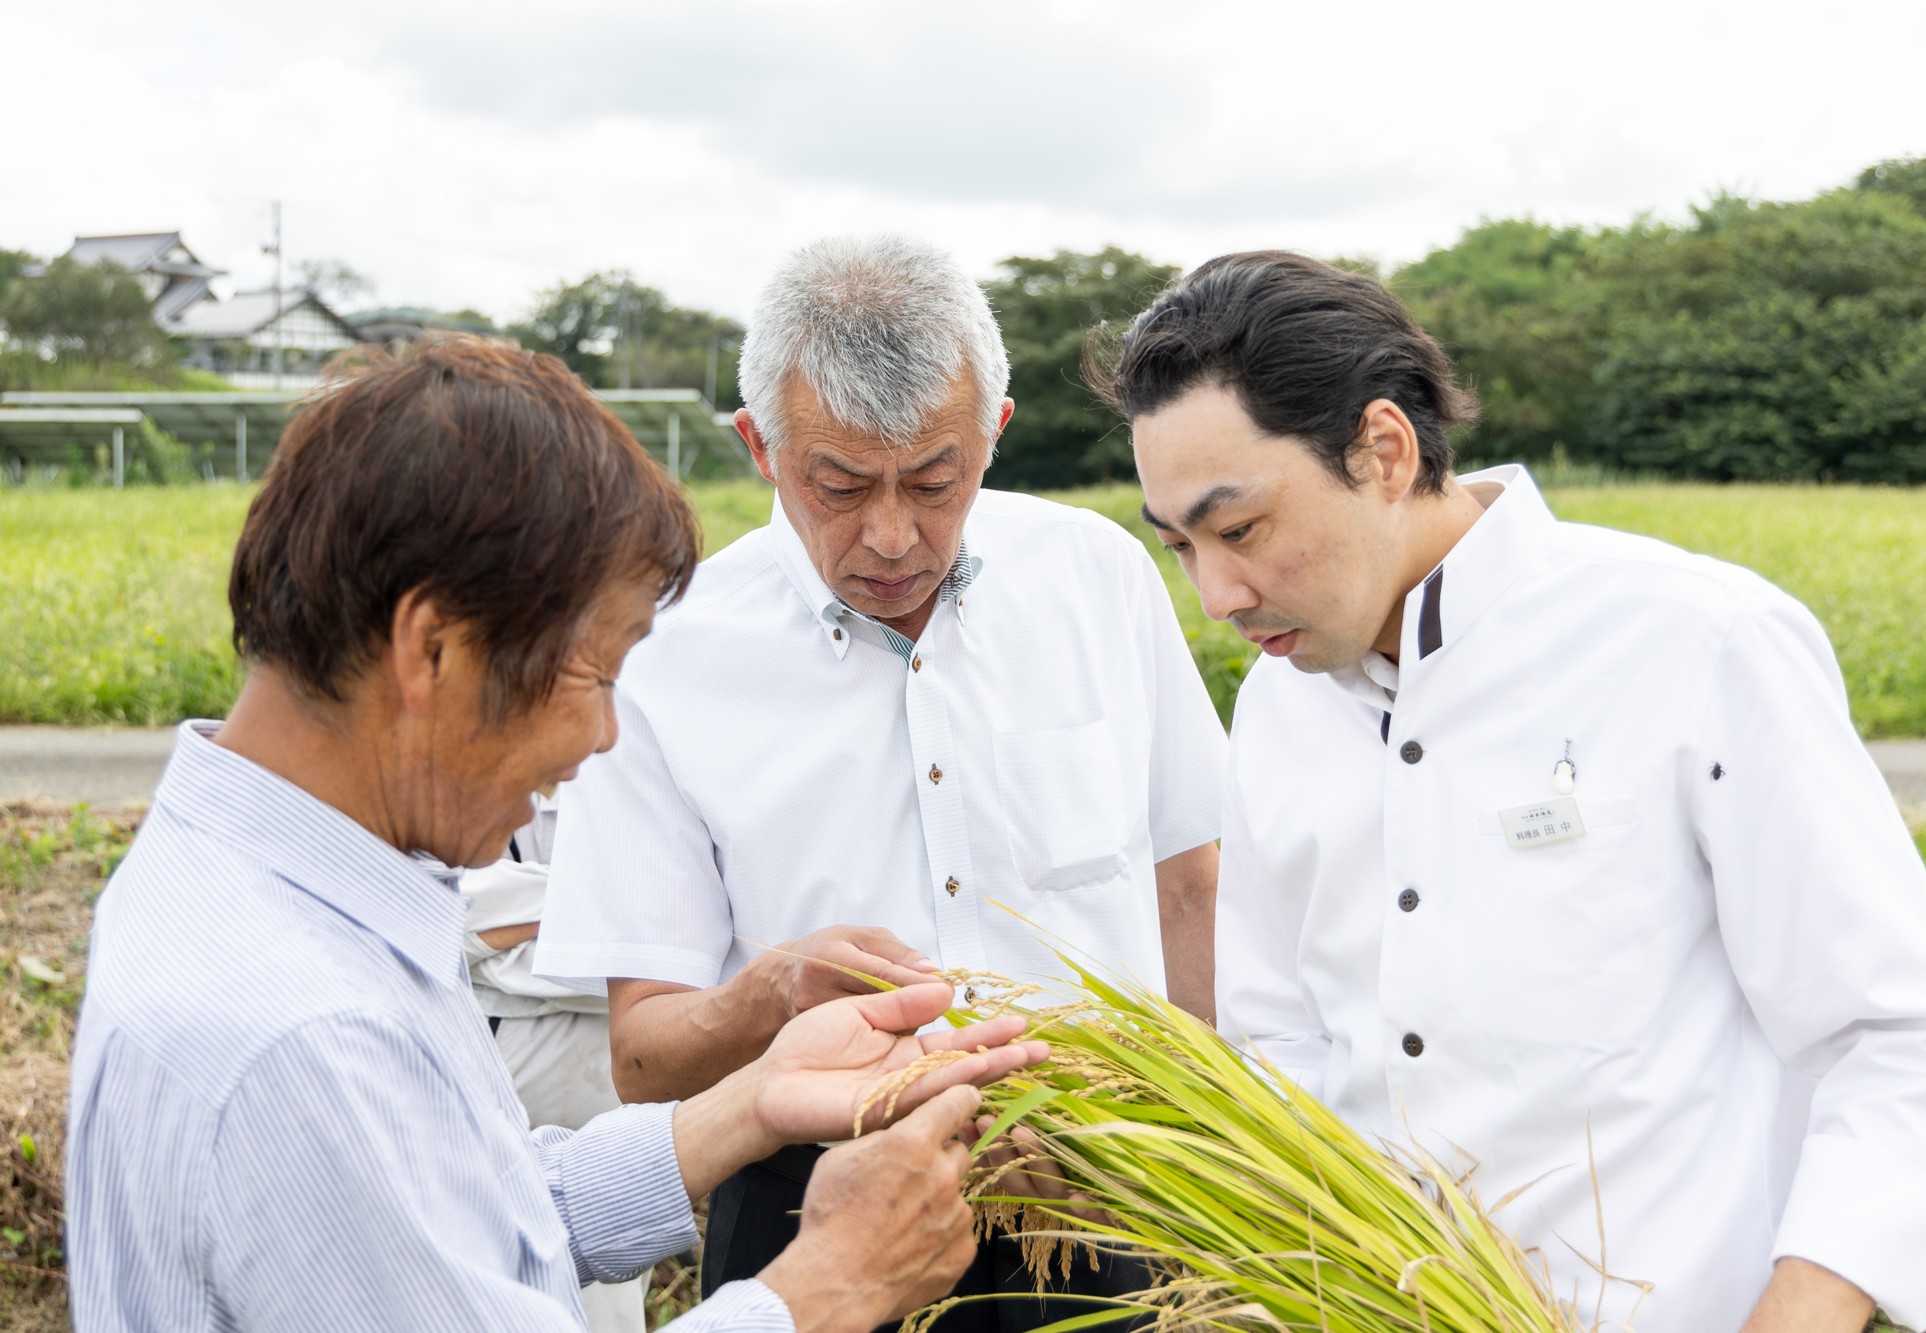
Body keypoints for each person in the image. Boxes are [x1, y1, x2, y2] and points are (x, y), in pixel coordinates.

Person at [1094, 251, 1926, 1332]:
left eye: (1238, 530)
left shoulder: (1695, 641)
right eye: (1179, 546)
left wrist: (1800, 1311)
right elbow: (1281, 1044)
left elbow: (1905, 1039)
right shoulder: (1276, 710)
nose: (1214, 594)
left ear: (1382, 450)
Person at [66, 338, 1046, 1333]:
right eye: (595, 675)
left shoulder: (249, 886)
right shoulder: (305, 1035)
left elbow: (462, 1215)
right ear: (433, 648)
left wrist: (754, 1099)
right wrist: (830, 1284)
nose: (602, 736)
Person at [535, 234, 1228, 1328]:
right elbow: (643, 1058)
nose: (894, 536)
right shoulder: (661, 656)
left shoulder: (1095, 576)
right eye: (842, 485)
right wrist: (770, 992)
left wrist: (1211, 1150)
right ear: (760, 448)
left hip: (1117, 1193)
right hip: (817, 1215)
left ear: (994, 434)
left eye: (936, 481)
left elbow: (1188, 886)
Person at [461, 789, 652, 1333]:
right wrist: (625, 928)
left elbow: (687, 961)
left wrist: (499, 956)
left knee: (609, 1305)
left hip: (613, 1133)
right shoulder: (449, 785)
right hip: (487, 1126)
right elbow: (445, 911)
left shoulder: (630, 779)